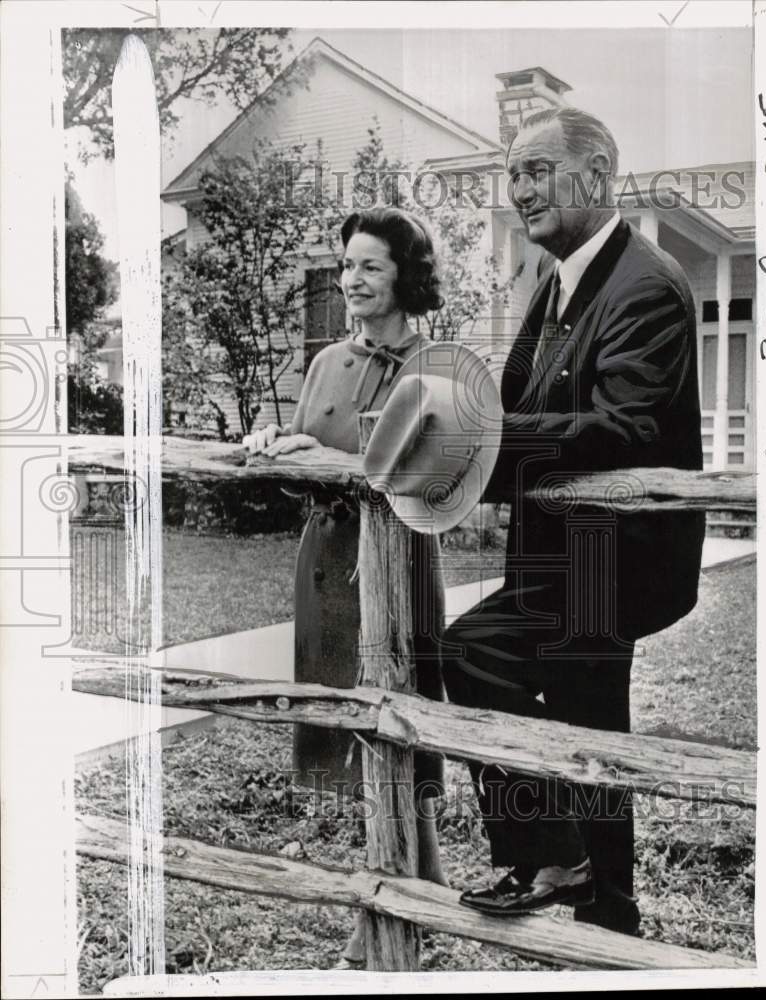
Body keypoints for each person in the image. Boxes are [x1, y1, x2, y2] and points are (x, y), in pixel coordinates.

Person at [441, 107, 705, 932]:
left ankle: (548, 855)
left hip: (613, 559)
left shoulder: (646, 284)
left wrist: (479, 441)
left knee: (474, 649)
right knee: (591, 722)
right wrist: (441, 441)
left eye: (534, 171)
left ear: (594, 177)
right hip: (560, 556)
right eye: (511, 175)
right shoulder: (555, 282)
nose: (517, 191)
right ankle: (609, 908)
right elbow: (512, 408)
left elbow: (623, 428)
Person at [244, 206, 449, 966]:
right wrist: (276, 447)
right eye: (346, 265)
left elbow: (429, 482)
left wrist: (333, 462)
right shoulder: (329, 361)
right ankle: (417, 904)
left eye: (368, 265)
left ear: (405, 275)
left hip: (400, 575)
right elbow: (307, 473)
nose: (349, 279)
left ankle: (390, 921)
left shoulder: (439, 367)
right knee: (354, 738)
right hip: (328, 568)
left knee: (400, 733)